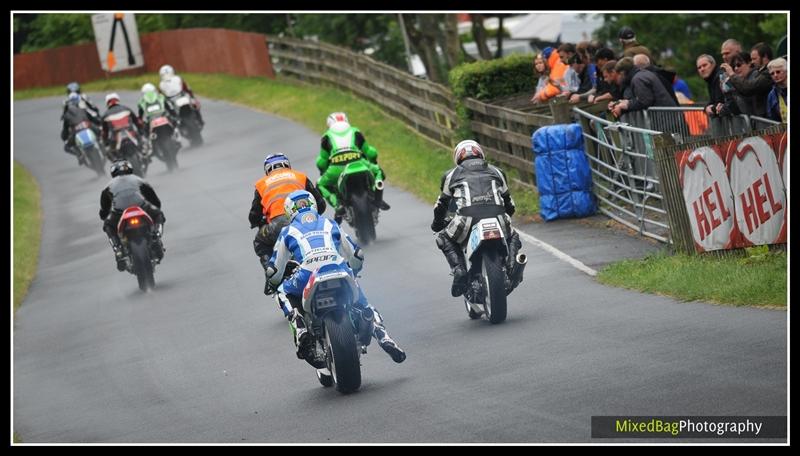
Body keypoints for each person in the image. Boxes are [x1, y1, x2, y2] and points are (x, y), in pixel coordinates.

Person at [265, 190, 406, 365]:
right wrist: (353, 271)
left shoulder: (288, 231)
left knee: (281, 292)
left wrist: (274, 281)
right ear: (313, 205)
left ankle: (300, 326)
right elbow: (357, 254)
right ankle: (384, 337)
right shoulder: (330, 223)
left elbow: (274, 270)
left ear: (289, 211)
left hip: (307, 273)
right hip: (338, 268)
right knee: (364, 304)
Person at [430, 140, 522, 297]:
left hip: (467, 218)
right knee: (513, 235)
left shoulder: (450, 175)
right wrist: (505, 218)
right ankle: (513, 264)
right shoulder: (498, 171)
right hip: (498, 216)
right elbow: (510, 205)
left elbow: (441, 205)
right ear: (480, 153)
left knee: (444, 237)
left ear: (458, 157)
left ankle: (459, 270)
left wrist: (437, 224)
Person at [248, 153, 327, 294]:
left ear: (267, 170)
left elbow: (254, 214)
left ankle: (271, 276)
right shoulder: (300, 176)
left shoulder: (262, 184)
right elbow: (320, 203)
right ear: (287, 165)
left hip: (277, 225)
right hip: (305, 220)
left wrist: (256, 222)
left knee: (260, 241)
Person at [315, 112, 390, 220]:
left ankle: (338, 205)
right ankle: (377, 194)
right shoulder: (355, 131)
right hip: (358, 162)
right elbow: (370, 152)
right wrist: (373, 162)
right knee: (378, 171)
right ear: (346, 120)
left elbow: (321, 162)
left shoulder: (326, 136)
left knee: (320, 184)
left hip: (337, 167)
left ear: (329, 124)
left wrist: (323, 171)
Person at [99, 160, 165, 271]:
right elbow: (153, 197)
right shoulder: (138, 179)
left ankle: (118, 249)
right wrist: (156, 206)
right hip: (141, 208)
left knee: (108, 226)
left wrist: (104, 215)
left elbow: (104, 208)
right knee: (159, 215)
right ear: (130, 169)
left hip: (119, 213)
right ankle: (156, 235)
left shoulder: (108, 187)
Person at [60, 92, 97, 164]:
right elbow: (94, 116)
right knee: (100, 133)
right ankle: (104, 146)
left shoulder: (66, 115)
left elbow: (65, 131)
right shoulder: (83, 108)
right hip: (88, 126)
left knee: (67, 147)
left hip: (77, 130)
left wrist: (64, 137)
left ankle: (79, 155)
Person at [766, 58, 787, 123]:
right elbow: (772, 118)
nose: (775, 75)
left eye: (778, 72)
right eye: (772, 73)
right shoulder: (772, 95)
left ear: (786, 71)